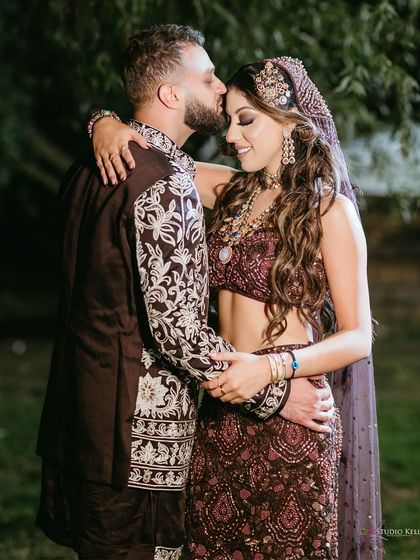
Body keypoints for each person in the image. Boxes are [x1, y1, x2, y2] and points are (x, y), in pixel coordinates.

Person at [36, 26, 335, 560]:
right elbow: (176, 331)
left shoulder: (91, 165)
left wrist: (100, 121)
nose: (220, 88)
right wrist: (277, 394)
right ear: (172, 94)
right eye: (209, 77)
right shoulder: (162, 181)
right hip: (135, 442)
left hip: (77, 425)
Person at [92, 56, 382, 558]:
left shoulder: (329, 209)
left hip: (289, 411)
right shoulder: (230, 190)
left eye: (246, 120)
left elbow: (359, 335)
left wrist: (270, 369)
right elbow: (150, 155)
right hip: (220, 407)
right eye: (228, 120)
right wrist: (103, 122)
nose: (231, 135)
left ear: (290, 121)